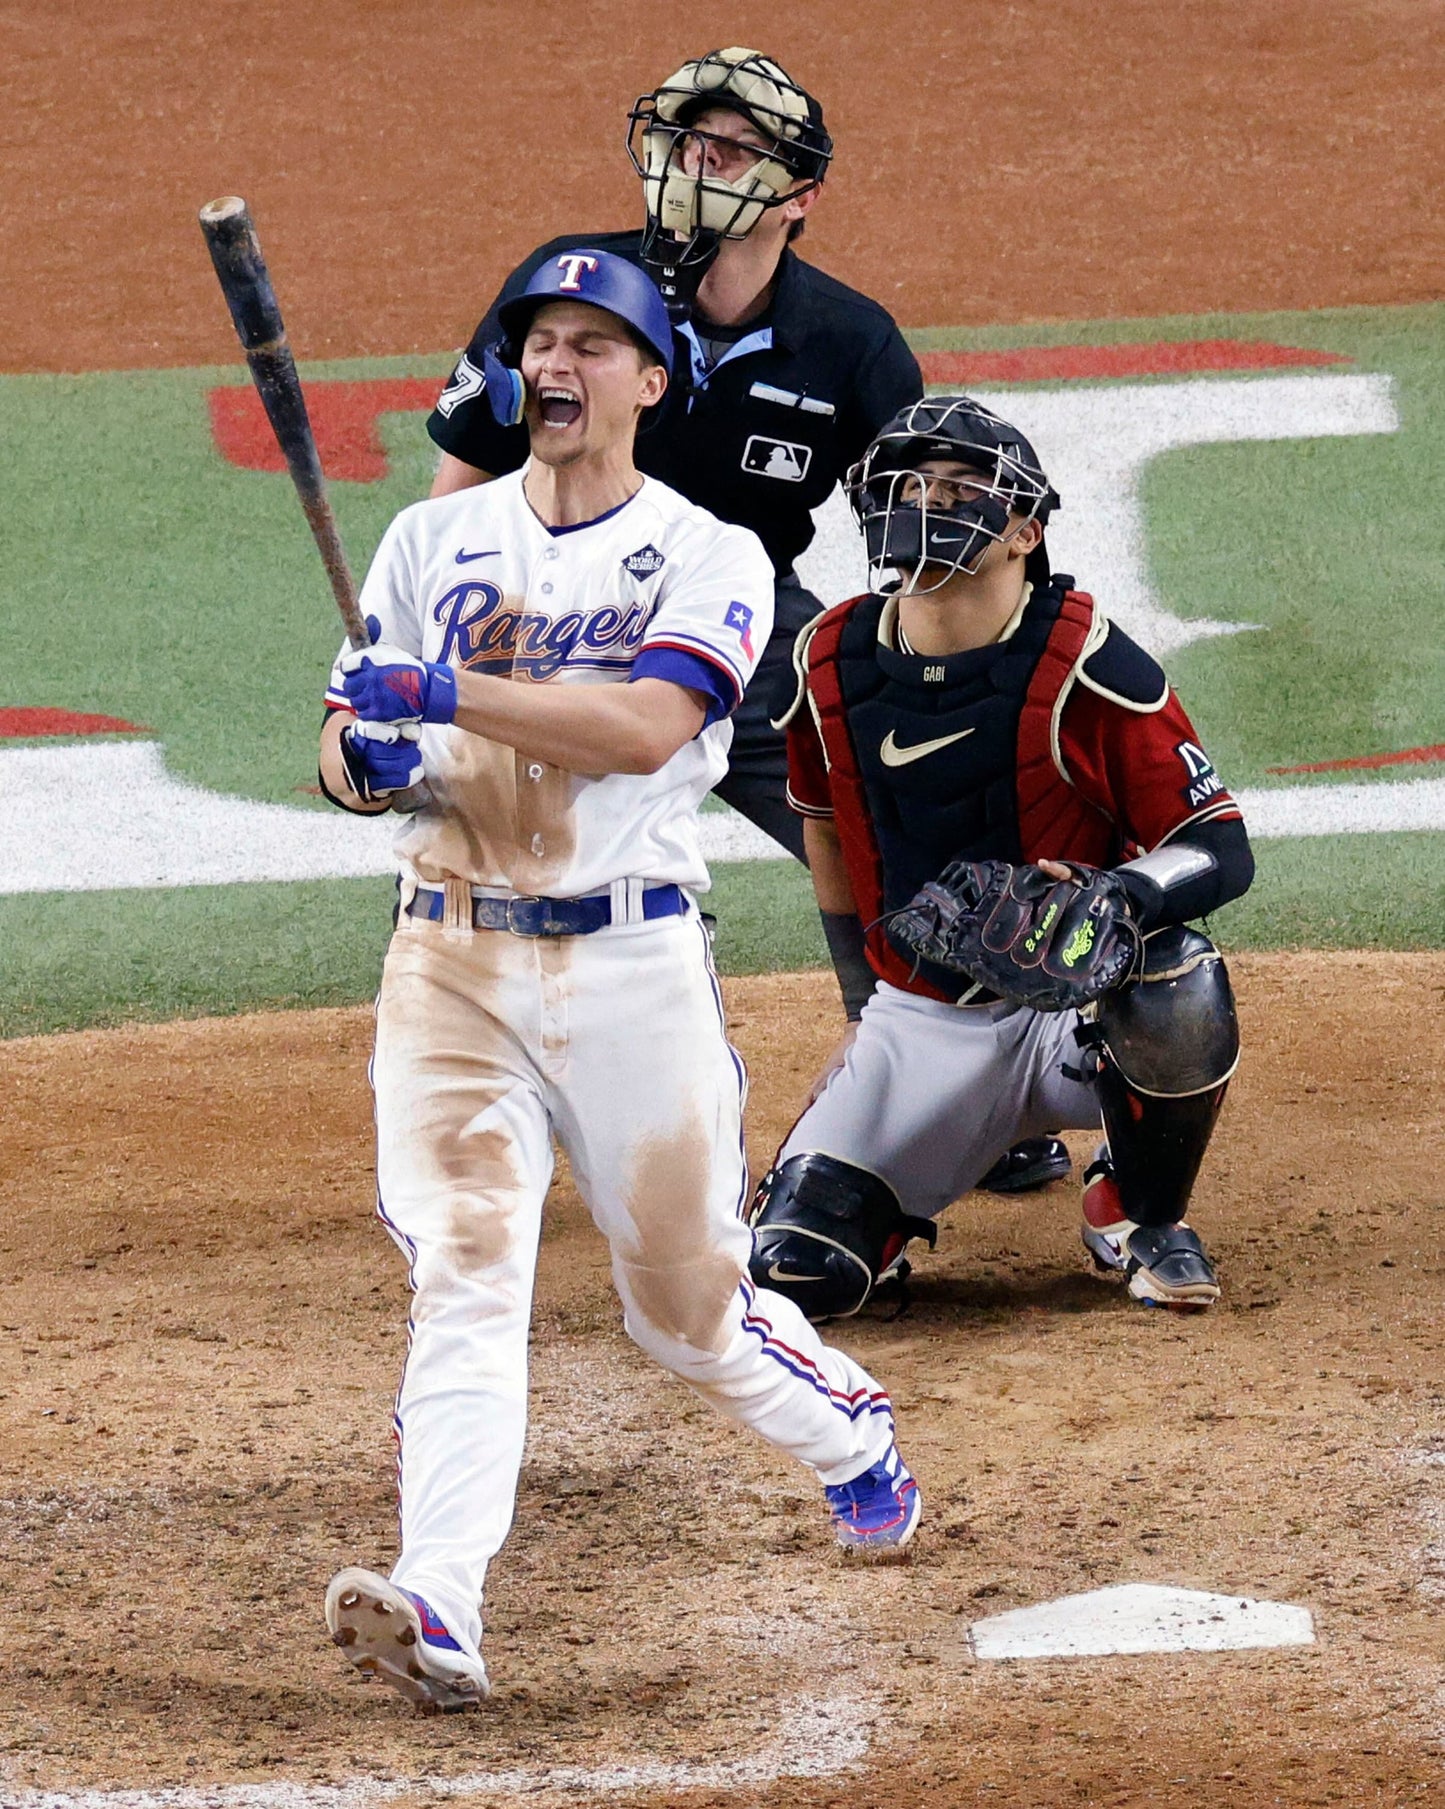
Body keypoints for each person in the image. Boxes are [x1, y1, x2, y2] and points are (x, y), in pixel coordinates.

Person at [315, 251, 920, 1714]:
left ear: (654, 382)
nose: (558, 364)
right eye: (539, 341)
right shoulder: (425, 542)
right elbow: (338, 746)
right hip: (449, 963)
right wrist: (364, 764)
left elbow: (649, 728)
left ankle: (851, 1442)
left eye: (596, 342)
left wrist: (443, 695)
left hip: (633, 964)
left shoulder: (707, 555)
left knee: (687, 1308)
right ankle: (442, 1605)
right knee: (466, 1271)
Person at [425, 44, 1064, 1195]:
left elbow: (919, 519)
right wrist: (442, 625)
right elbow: (464, 476)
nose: (693, 166)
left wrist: (918, 676)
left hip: (743, 615)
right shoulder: (569, 290)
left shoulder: (847, 341)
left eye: (728, 150)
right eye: (680, 142)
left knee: (886, 820)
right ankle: (495, 1107)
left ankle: (946, 1082)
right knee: (487, 859)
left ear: (799, 195)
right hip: (558, 612)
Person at [747, 396, 1255, 1322]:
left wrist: (1120, 893)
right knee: (793, 1275)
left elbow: (1218, 844)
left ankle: (1143, 1212)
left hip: (1073, 1013)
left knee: (1178, 980)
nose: (927, 502)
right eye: (910, 484)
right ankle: (894, 1190)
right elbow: (823, 829)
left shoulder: (1086, 663)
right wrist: (862, 1006)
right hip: (919, 1022)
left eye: (959, 487)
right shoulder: (830, 658)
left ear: (1023, 529)